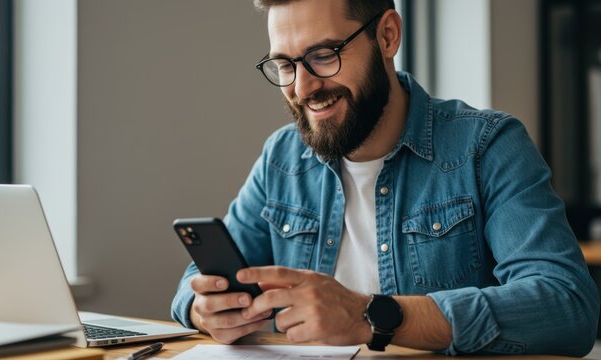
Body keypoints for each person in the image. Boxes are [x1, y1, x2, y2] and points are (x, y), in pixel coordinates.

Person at [171, 0, 600, 356]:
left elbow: (567, 306)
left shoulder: (486, 146)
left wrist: (370, 315)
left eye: (323, 56)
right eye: (285, 65)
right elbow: (196, 282)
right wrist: (202, 308)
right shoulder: (282, 158)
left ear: (388, 36)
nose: (302, 88)